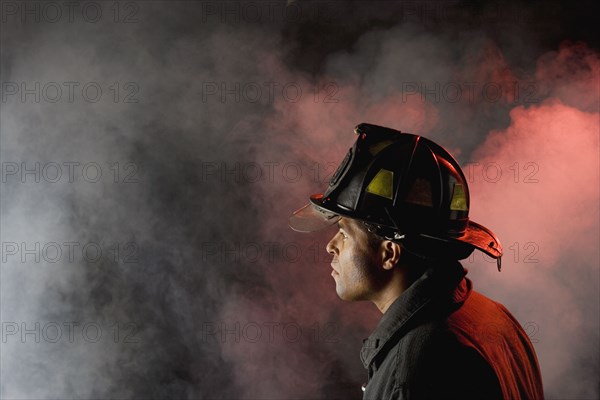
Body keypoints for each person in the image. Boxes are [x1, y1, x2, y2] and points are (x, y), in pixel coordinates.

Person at [289, 123, 544, 399]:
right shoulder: (494, 317)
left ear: (389, 253)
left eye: (343, 233)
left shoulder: (413, 374)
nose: (330, 247)